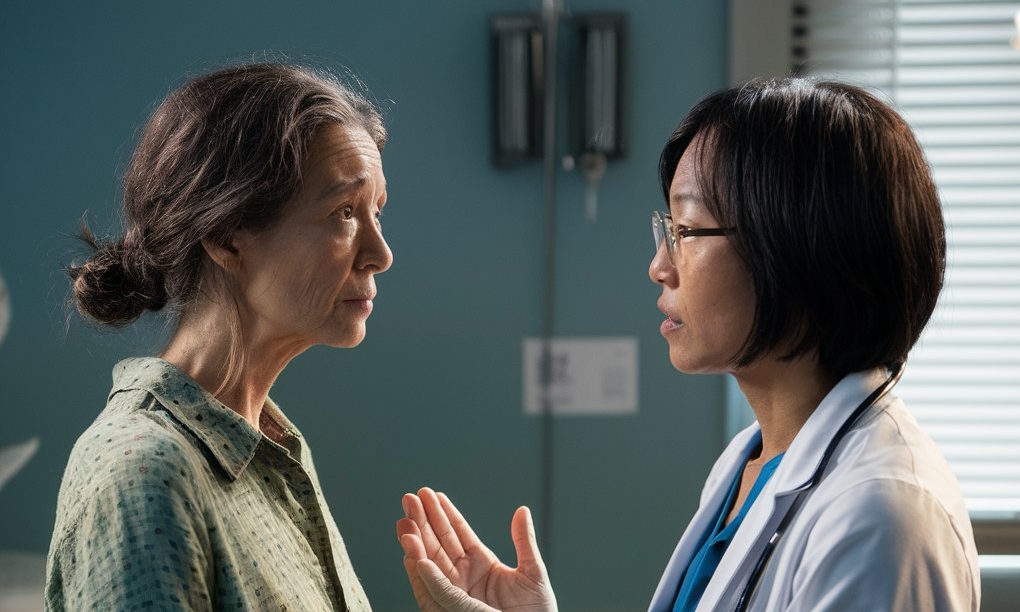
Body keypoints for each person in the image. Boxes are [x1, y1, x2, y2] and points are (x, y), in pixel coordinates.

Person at [396, 78, 980, 612]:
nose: (659, 267)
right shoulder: (745, 465)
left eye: (686, 230)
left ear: (801, 246)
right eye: (665, 231)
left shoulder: (884, 513)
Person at [46, 61, 392, 611]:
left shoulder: (271, 450)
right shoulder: (144, 476)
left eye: (376, 211)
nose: (380, 254)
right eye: (344, 212)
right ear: (226, 237)